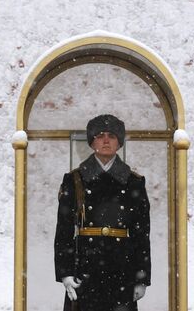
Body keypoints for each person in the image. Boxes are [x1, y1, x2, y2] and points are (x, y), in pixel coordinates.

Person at [54, 114, 151, 311]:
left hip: (122, 267)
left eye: (112, 136)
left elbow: (141, 234)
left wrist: (141, 277)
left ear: (119, 143)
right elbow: (64, 230)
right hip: (85, 267)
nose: (106, 140)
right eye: (100, 135)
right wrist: (65, 273)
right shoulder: (74, 180)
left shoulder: (134, 182)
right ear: (91, 142)